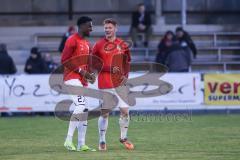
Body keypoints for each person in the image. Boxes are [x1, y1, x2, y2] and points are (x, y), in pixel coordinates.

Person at [93, 18, 133, 151]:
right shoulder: (98, 45)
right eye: (105, 28)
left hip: (119, 84)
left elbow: (127, 61)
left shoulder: (122, 44)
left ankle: (123, 138)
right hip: (105, 83)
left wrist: (125, 76)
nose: (107, 30)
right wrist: (109, 68)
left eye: (110, 27)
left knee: (125, 111)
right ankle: (102, 140)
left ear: (115, 28)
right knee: (105, 113)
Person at [61, 16, 96, 152]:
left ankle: (82, 144)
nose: (91, 29)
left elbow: (87, 63)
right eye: (89, 26)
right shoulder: (72, 40)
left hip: (81, 80)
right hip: (71, 78)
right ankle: (68, 140)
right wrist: (82, 72)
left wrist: (90, 74)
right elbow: (64, 60)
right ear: (81, 26)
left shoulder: (87, 43)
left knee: (85, 110)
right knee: (80, 105)